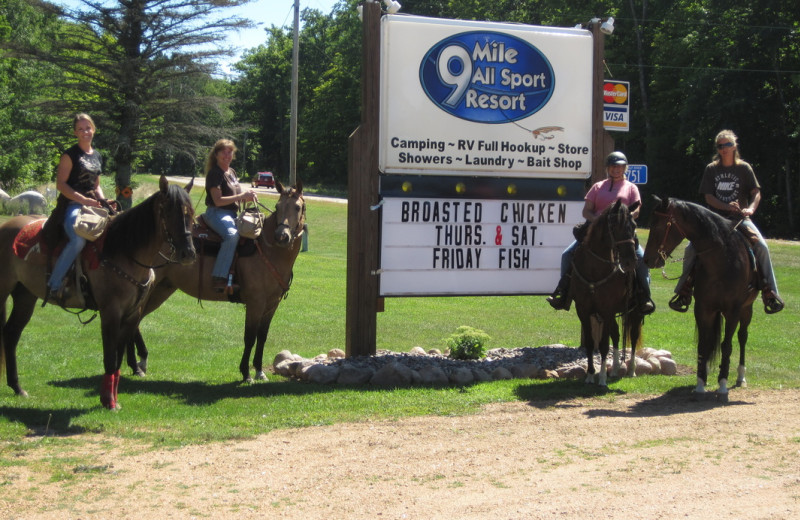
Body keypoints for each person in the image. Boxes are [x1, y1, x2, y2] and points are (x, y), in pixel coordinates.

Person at [669, 130, 784, 314]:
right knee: (690, 249)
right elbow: (708, 197)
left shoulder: (744, 168)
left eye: (727, 145)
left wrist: (751, 209)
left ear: (734, 146)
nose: (724, 149)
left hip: (739, 219)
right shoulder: (711, 169)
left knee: (761, 246)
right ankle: (684, 290)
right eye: (720, 146)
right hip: (714, 222)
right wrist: (725, 206)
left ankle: (769, 292)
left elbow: (756, 193)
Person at [546, 151, 655, 315]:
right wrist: (598, 221)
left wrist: (621, 218)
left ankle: (644, 297)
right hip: (595, 232)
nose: (616, 169)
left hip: (622, 233)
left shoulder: (631, 188)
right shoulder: (597, 187)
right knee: (567, 254)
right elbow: (586, 211)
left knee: (641, 258)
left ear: (625, 168)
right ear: (607, 168)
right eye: (613, 166)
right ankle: (563, 293)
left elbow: (637, 210)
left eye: (619, 166)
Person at [45, 113, 108, 303]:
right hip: (72, 206)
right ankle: (54, 284)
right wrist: (83, 200)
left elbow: (96, 185)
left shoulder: (97, 156)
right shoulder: (69, 155)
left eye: (87, 128)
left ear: (93, 129)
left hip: (92, 206)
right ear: (75, 133)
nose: (85, 132)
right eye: (80, 129)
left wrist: (104, 202)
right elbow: (61, 185)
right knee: (78, 239)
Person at [203, 138, 258, 292]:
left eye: (230, 152)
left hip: (232, 214)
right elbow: (218, 200)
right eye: (223, 152)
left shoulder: (231, 172)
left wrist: (248, 195)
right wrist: (241, 197)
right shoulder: (215, 173)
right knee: (232, 235)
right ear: (216, 155)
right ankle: (219, 277)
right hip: (217, 213)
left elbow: (238, 193)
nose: (227, 155)